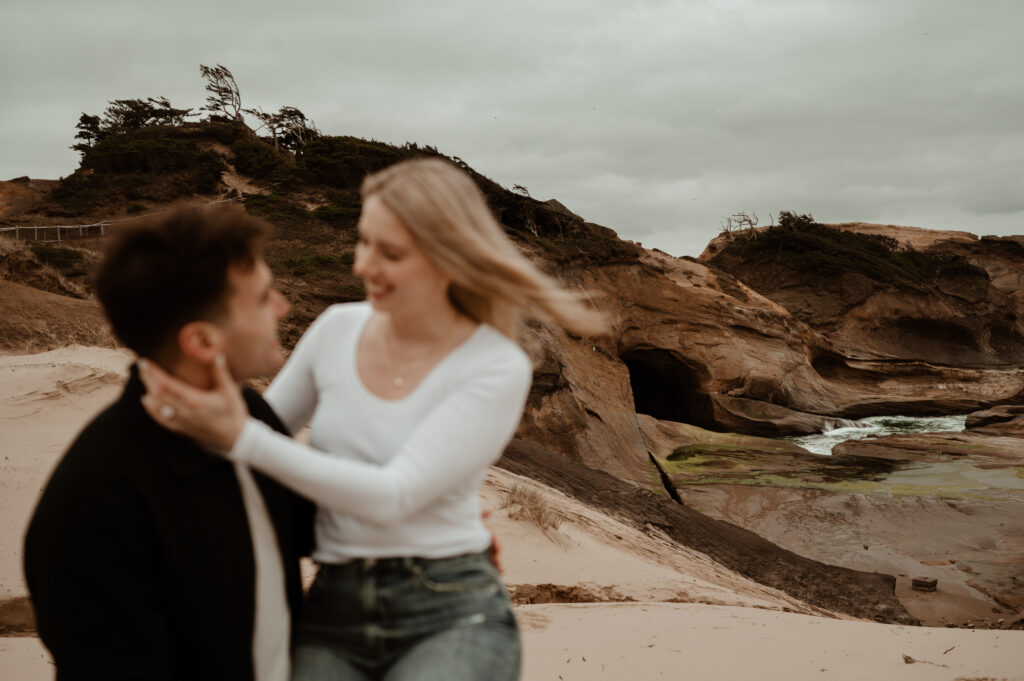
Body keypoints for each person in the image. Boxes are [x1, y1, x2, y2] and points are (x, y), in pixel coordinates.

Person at [139, 158, 608, 681]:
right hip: (333, 602)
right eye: (363, 242)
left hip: (451, 608)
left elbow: (394, 495)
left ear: (447, 259)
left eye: (390, 253)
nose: (363, 265)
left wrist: (239, 436)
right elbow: (266, 432)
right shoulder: (337, 328)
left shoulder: (495, 364)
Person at [23, 204, 314, 681]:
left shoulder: (247, 415)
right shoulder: (94, 502)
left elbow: (313, 527)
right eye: (263, 298)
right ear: (202, 342)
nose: (283, 307)